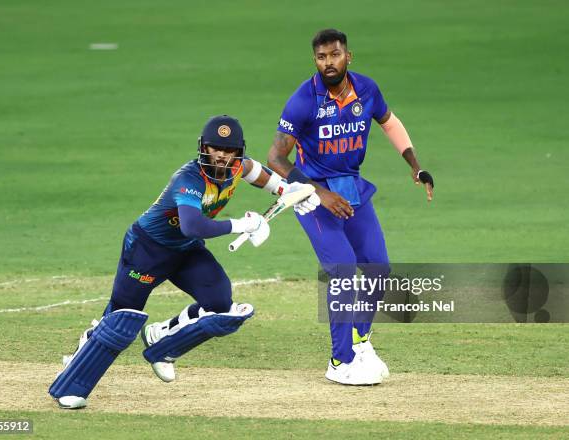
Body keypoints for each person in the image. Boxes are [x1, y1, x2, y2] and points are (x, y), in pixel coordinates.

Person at [49, 115, 320, 409]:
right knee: (119, 319)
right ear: (203, 148)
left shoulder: (240, 166)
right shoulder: (188, 179)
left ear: (237, 152)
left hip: (185, 251)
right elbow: (192, 226)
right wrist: (242, 225)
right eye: (215, 148)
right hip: (147, 250)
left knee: (219, 301)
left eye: (228, 150)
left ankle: (161, 338)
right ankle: (75, 370)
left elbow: (257, 173)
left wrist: (287, 190)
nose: (221, 155)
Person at [267, 29, 434, 385]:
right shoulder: (304, 100)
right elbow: (276, 157)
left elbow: (390, 123)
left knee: (378, 269)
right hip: (311, 197)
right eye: (321, 57)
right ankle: (339, 362)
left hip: (351, 189)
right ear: (315, 60)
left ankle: (359, 340)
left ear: (348, 56)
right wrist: (319, 193)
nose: (329, 62)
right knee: (342, 271)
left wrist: (415, 165)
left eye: (335, 55)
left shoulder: (367, 90)